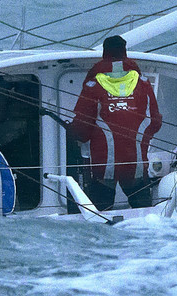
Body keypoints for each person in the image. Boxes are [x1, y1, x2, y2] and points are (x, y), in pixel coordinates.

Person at [69, 35, 163, 209]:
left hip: (104, 166)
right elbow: (155, 122)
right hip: (135, 165)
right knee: (143, 211)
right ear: (125, 53)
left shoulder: (93, 86)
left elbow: (81, 130)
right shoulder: (143, 84)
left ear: (104, 54)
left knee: (100, 212)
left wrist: (72, 133)